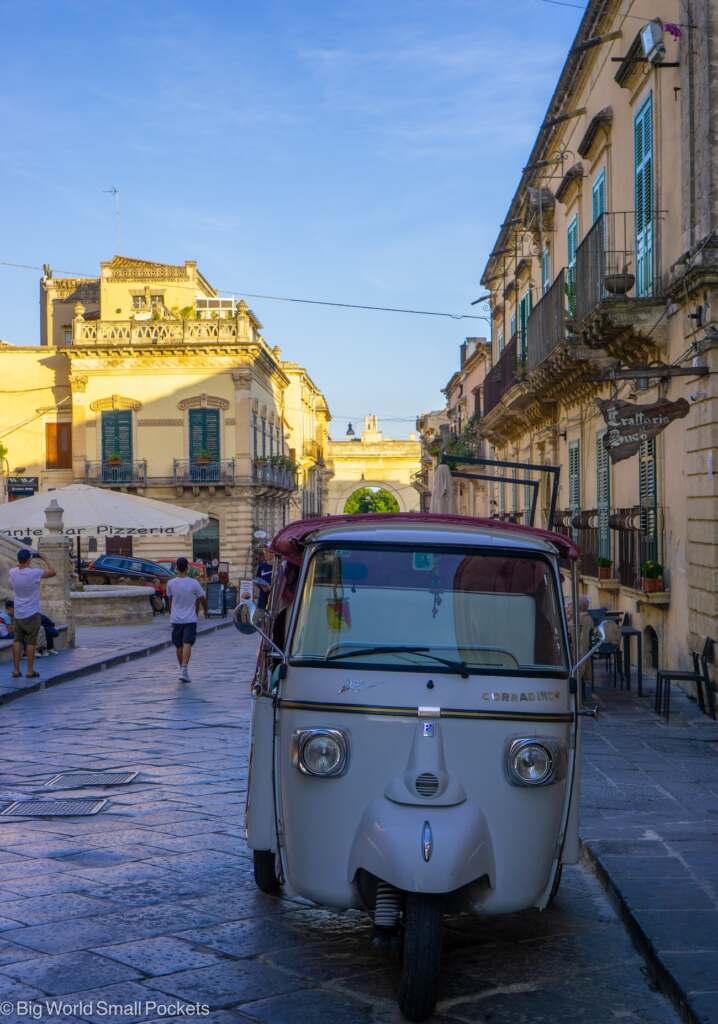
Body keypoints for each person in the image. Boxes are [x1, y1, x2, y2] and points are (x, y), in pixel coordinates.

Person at [9, 549, 56, 679]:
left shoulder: (13, 572)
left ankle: (16, 670)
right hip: (32, 613)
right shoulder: (34, 573)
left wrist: (23, 561)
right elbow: (53, 572)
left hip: (18, 613)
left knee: (17, 641)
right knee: (31, 643)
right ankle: (30, 671)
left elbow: (17, 566)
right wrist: (45, 558)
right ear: (29, 560)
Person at [166, 556, 207, 683]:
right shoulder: (194, 583)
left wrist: (171, 612)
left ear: (176, 568)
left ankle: (183, 670)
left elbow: (169, 600)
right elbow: (202, 598)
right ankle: (184, 669)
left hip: (176, 619)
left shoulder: (170, 583)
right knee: (187, 643)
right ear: (188, 568)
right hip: (190, 618)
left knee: (178, 645)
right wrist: (206, 609)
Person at [254, 547, 273, 625]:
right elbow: (257, 579)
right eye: (264, 552)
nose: (265, 554)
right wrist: (261, 586)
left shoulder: (278, 566)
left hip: (272, 600)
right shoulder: (261, 566)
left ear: (273, 553)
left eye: (267, 552)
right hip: (262, 599)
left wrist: (270, 587)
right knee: (256, 622)